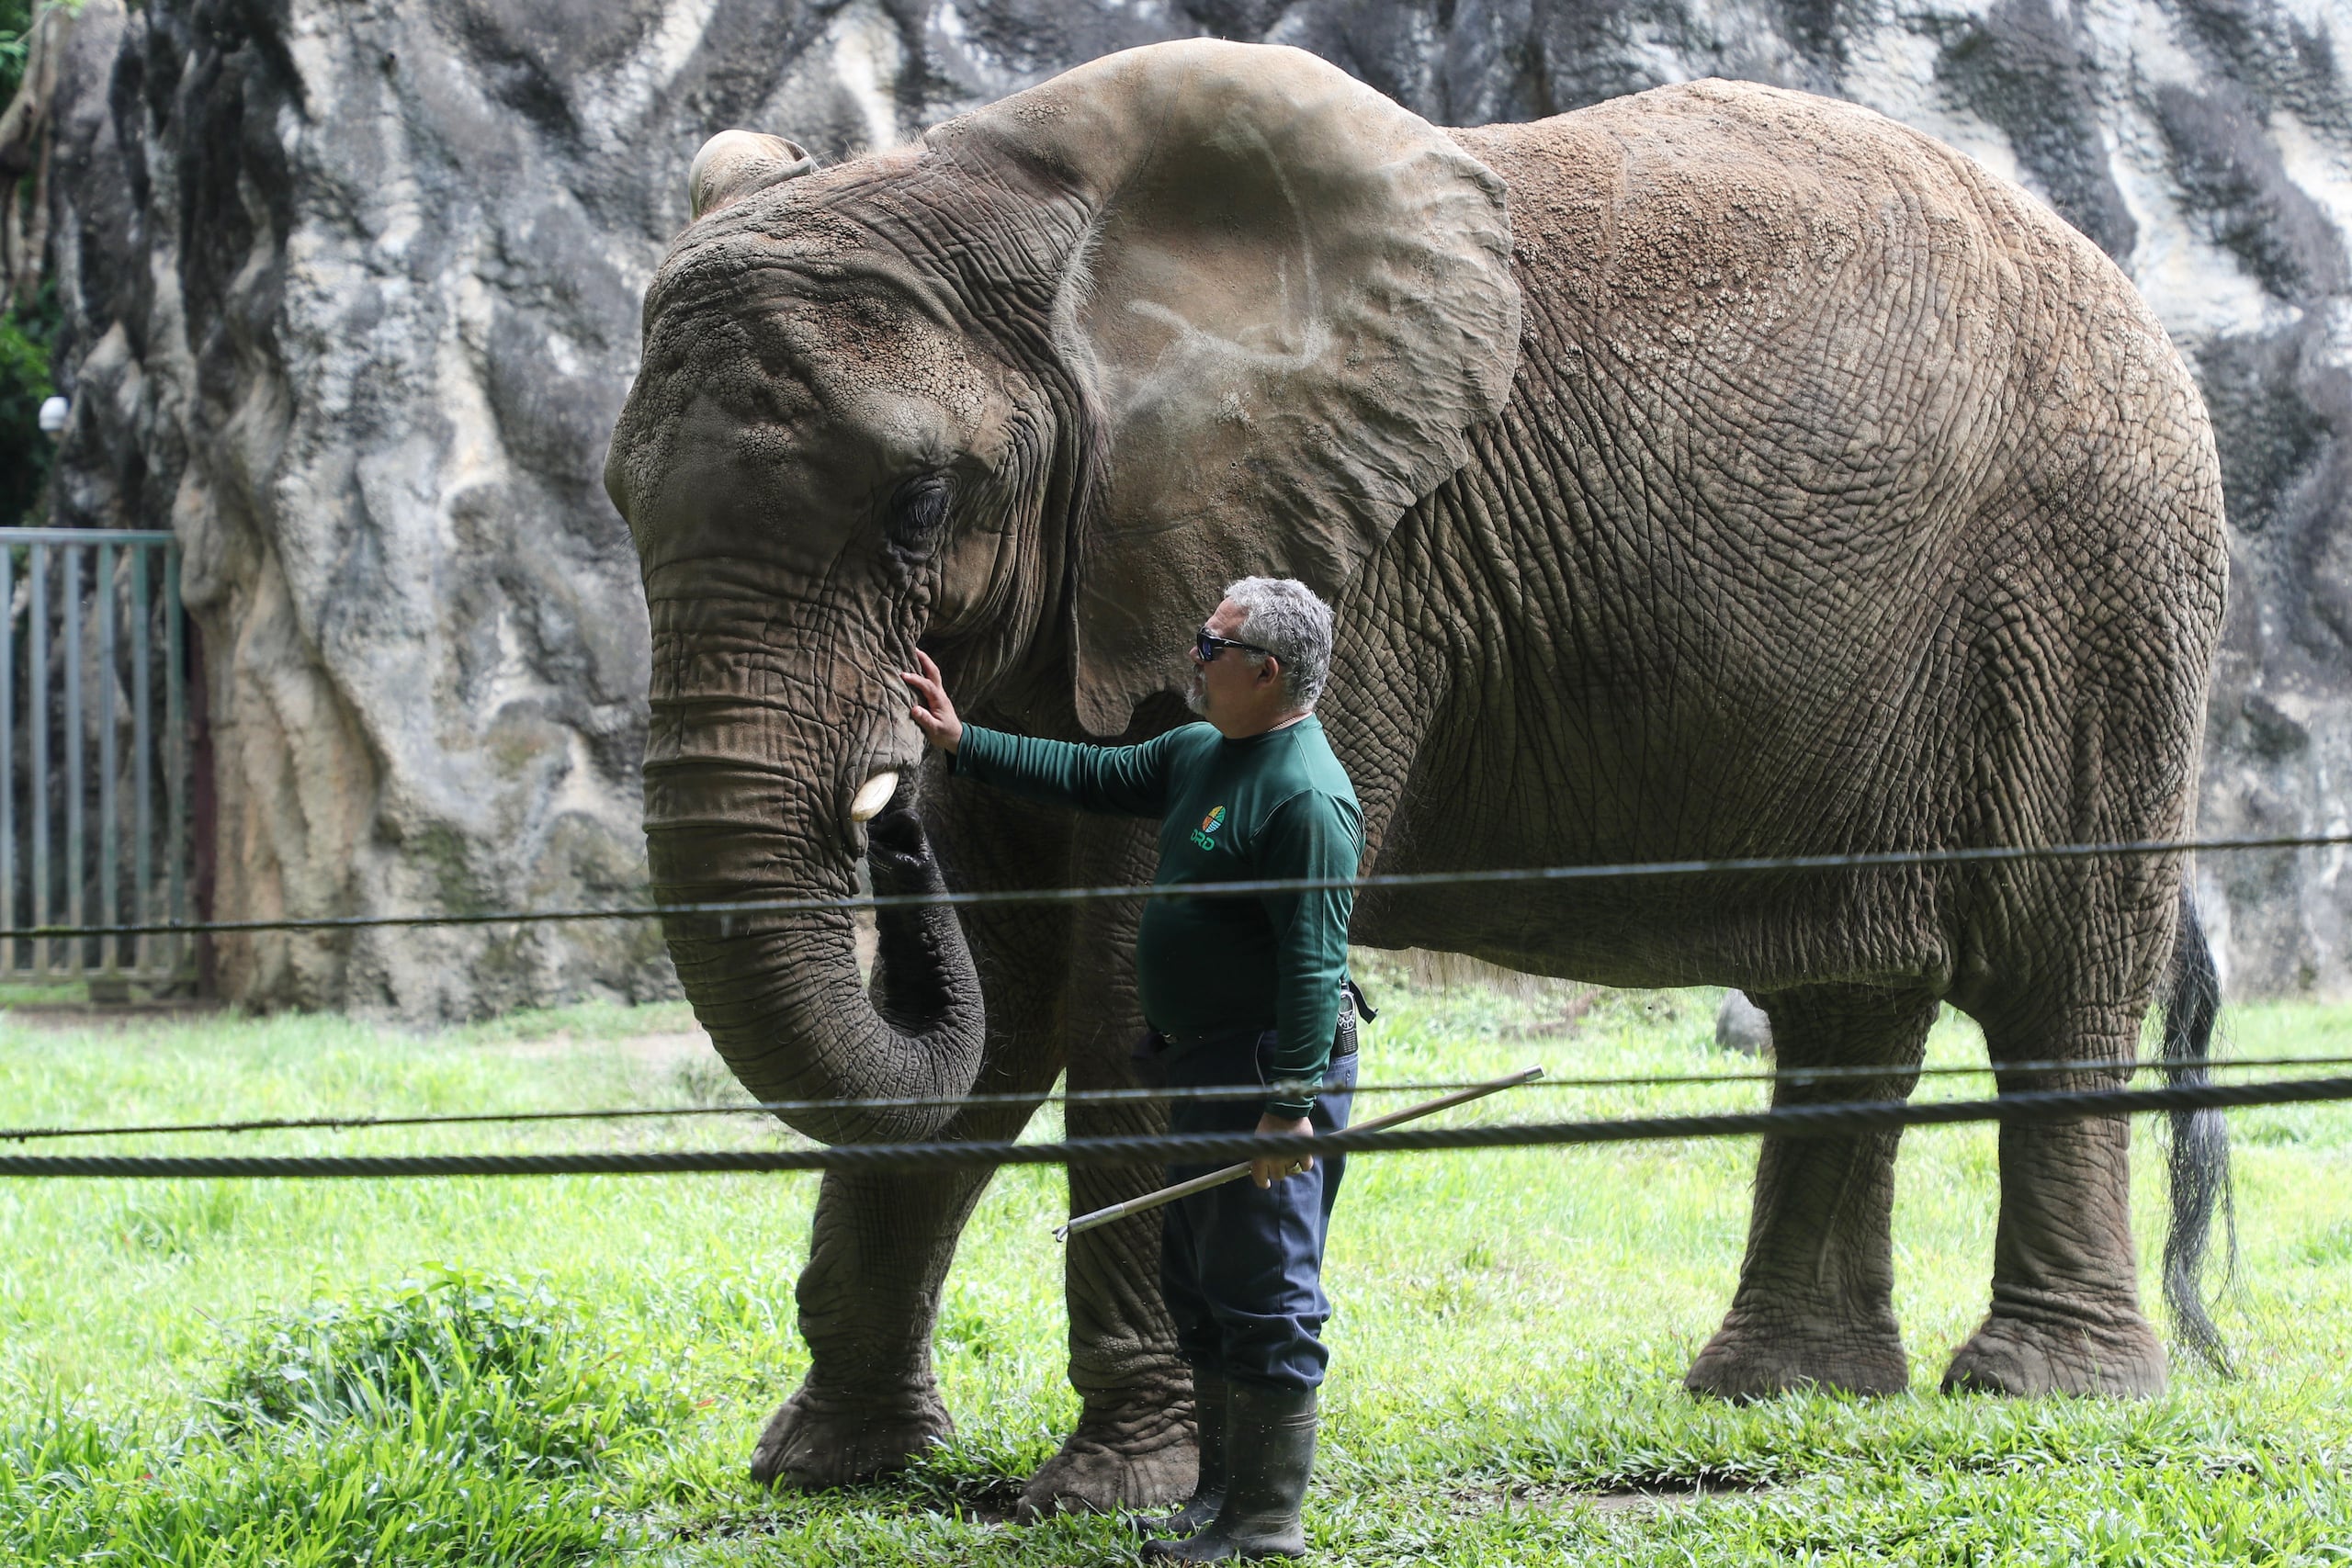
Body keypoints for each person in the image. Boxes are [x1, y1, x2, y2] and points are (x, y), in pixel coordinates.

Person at [900, 577, 1363, 1562]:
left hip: (1265, 1073)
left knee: (1265, 1290)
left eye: (1211, 645)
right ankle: (1217, 1501)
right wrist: (960, 741)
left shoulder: (1307, 796)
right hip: (1201, 1065)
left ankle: (1265, 1523)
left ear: (1263, 671)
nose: (1193, 656)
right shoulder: (1204, 752)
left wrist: (1288, 1110)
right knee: (1196, 1283)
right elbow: (1089, 777)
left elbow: (1315, 965)